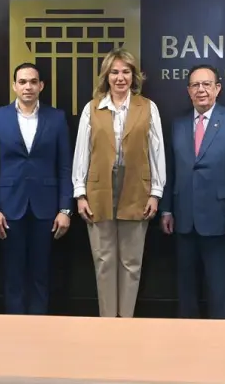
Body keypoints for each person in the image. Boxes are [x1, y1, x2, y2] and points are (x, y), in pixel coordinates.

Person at [72, 48, 166, 318]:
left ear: (134, 76)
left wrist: (155, 193)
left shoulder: (147, 107)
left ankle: (125, 323)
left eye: (126, 72)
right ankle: (107, 324)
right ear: (106, 76)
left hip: (137, 189)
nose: (120, 77)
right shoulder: (92, 108)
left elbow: (156, 151)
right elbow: (82, 152)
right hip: (98, 190)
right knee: (104, 260)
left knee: (131, 262)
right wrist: (80, 193)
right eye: (114, 72)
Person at [160, 64, 225, 319]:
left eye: (206, 84)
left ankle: (221, 340)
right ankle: (185, 338)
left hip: (221, 220)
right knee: (185, 290)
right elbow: (170, 170)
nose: (201, 90)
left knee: (218, 289)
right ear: (188, 91)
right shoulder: (178, 124)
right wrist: (166, 209)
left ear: (217, 88)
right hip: (183, 219)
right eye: (195, 85)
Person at [0, 62, 73, 315]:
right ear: (14, 86)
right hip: (8, 208)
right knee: (13, 275)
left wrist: (66, 209)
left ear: (41, 86)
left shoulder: (56, 118)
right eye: (22, 82)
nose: (28, 87)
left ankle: (39, 328)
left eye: (33, 82)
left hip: (46, 208)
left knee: (41, 275)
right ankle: (15, 329)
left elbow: (65, 167)